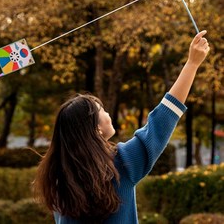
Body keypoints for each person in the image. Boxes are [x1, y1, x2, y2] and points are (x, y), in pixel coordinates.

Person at [34, 30, 210, 223]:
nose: (108, 113)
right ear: (95, 129)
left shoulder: (59, 182)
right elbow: (162, 120)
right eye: (102, 110)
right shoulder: (122, 164)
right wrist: (192, 64)